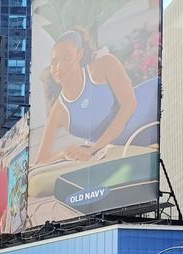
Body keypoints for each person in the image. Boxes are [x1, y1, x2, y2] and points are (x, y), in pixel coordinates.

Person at [32, 28, 158, 166]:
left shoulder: (104, 65)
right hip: (132, 146)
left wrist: (95, 148)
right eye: (54, 62)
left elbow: (130, 105)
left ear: (80, 54)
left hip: (156, 105)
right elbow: (40, 162)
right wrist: (62, 154)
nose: (59, 67)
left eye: (67, 58)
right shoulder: (59, 111)